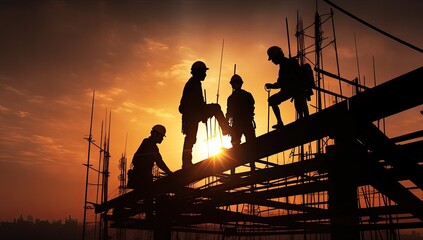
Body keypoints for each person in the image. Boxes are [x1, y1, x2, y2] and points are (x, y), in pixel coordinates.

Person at [179, 61, 231, 169]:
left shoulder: (194, 83)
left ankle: (186, 163)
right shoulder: (194, 83)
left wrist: (203, 112)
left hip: (193, 114)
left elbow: (197, 102)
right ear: (198, 72)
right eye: (204, 72)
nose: (205, 75)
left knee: (191, 138)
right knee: (216, 108)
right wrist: (203, 113)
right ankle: (226, 129)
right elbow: (192, 103)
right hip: (192, 114)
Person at [127, 124, 172, 218]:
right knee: (149, 196)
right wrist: (170, 173)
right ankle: (149, 216)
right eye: (161, 136)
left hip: (142, 176)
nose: (162, 139)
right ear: (156, 135)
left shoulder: (147, 143)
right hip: (142, 177)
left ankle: (148, 214)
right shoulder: (150, 145)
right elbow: (159, 162)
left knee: (145, 196)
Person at [265, 46, 309, 128]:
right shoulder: (286, 63)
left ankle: (281, 122)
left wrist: (271, 86)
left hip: (294, 89)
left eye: (273, 59)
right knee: (273, 100)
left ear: (277, 56)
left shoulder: (286, 65)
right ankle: (302, 119)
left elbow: (281, 83)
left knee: (272, 100)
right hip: (293, 89)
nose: (272, 61)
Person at [226, 74, 256, 174]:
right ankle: (233, 171)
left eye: (236, 83)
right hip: (238, 125)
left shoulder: (244, 96)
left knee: (250, 146)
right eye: (234, 83)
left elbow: (251, 108)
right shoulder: (232, 98)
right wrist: (226, 125)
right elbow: (229, 112)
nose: (235, 85)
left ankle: (252, 168)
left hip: (245, 123)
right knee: (236, 148)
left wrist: (226, 124)